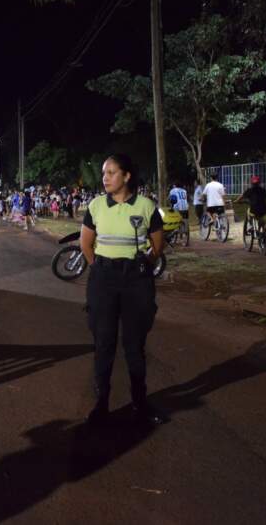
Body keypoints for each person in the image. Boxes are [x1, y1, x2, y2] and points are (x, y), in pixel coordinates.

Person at [80, 153, 167, 427]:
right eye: (104, 173)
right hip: (103, 279)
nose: (104, 178)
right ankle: (101, 404)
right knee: (103, 342)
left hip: (136, 281)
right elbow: (86, 245)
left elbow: (157, 246)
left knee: (134, 345)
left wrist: (139, 267)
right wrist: (101, 268)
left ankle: (140, 403)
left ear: (126, 176)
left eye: (111, 173)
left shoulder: (145, 205)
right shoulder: (95, 206)